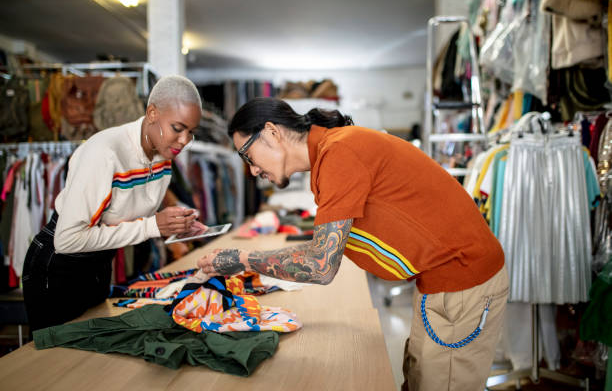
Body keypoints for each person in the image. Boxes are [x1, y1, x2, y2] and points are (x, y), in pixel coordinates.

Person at [197, 97, 509, 391]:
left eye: (247, 156)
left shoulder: (340, 152)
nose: (252, 170)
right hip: (443, 285)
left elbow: (320, 265)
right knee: (420, 379)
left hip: (463, 282)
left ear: (272, 132)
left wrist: (244, 259)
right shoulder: (331, 154)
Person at [22, 75, 207, 331]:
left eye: (191, 132)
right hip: (58, 267)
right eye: (178, 128)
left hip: (99, 263)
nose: (185, 140)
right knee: (55, 363)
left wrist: (176, 227)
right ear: (152, 113)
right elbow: (66, 240)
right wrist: (153, 227)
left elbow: (131, 219)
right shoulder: (104, 153)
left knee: (93, 361)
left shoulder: (163, 154)